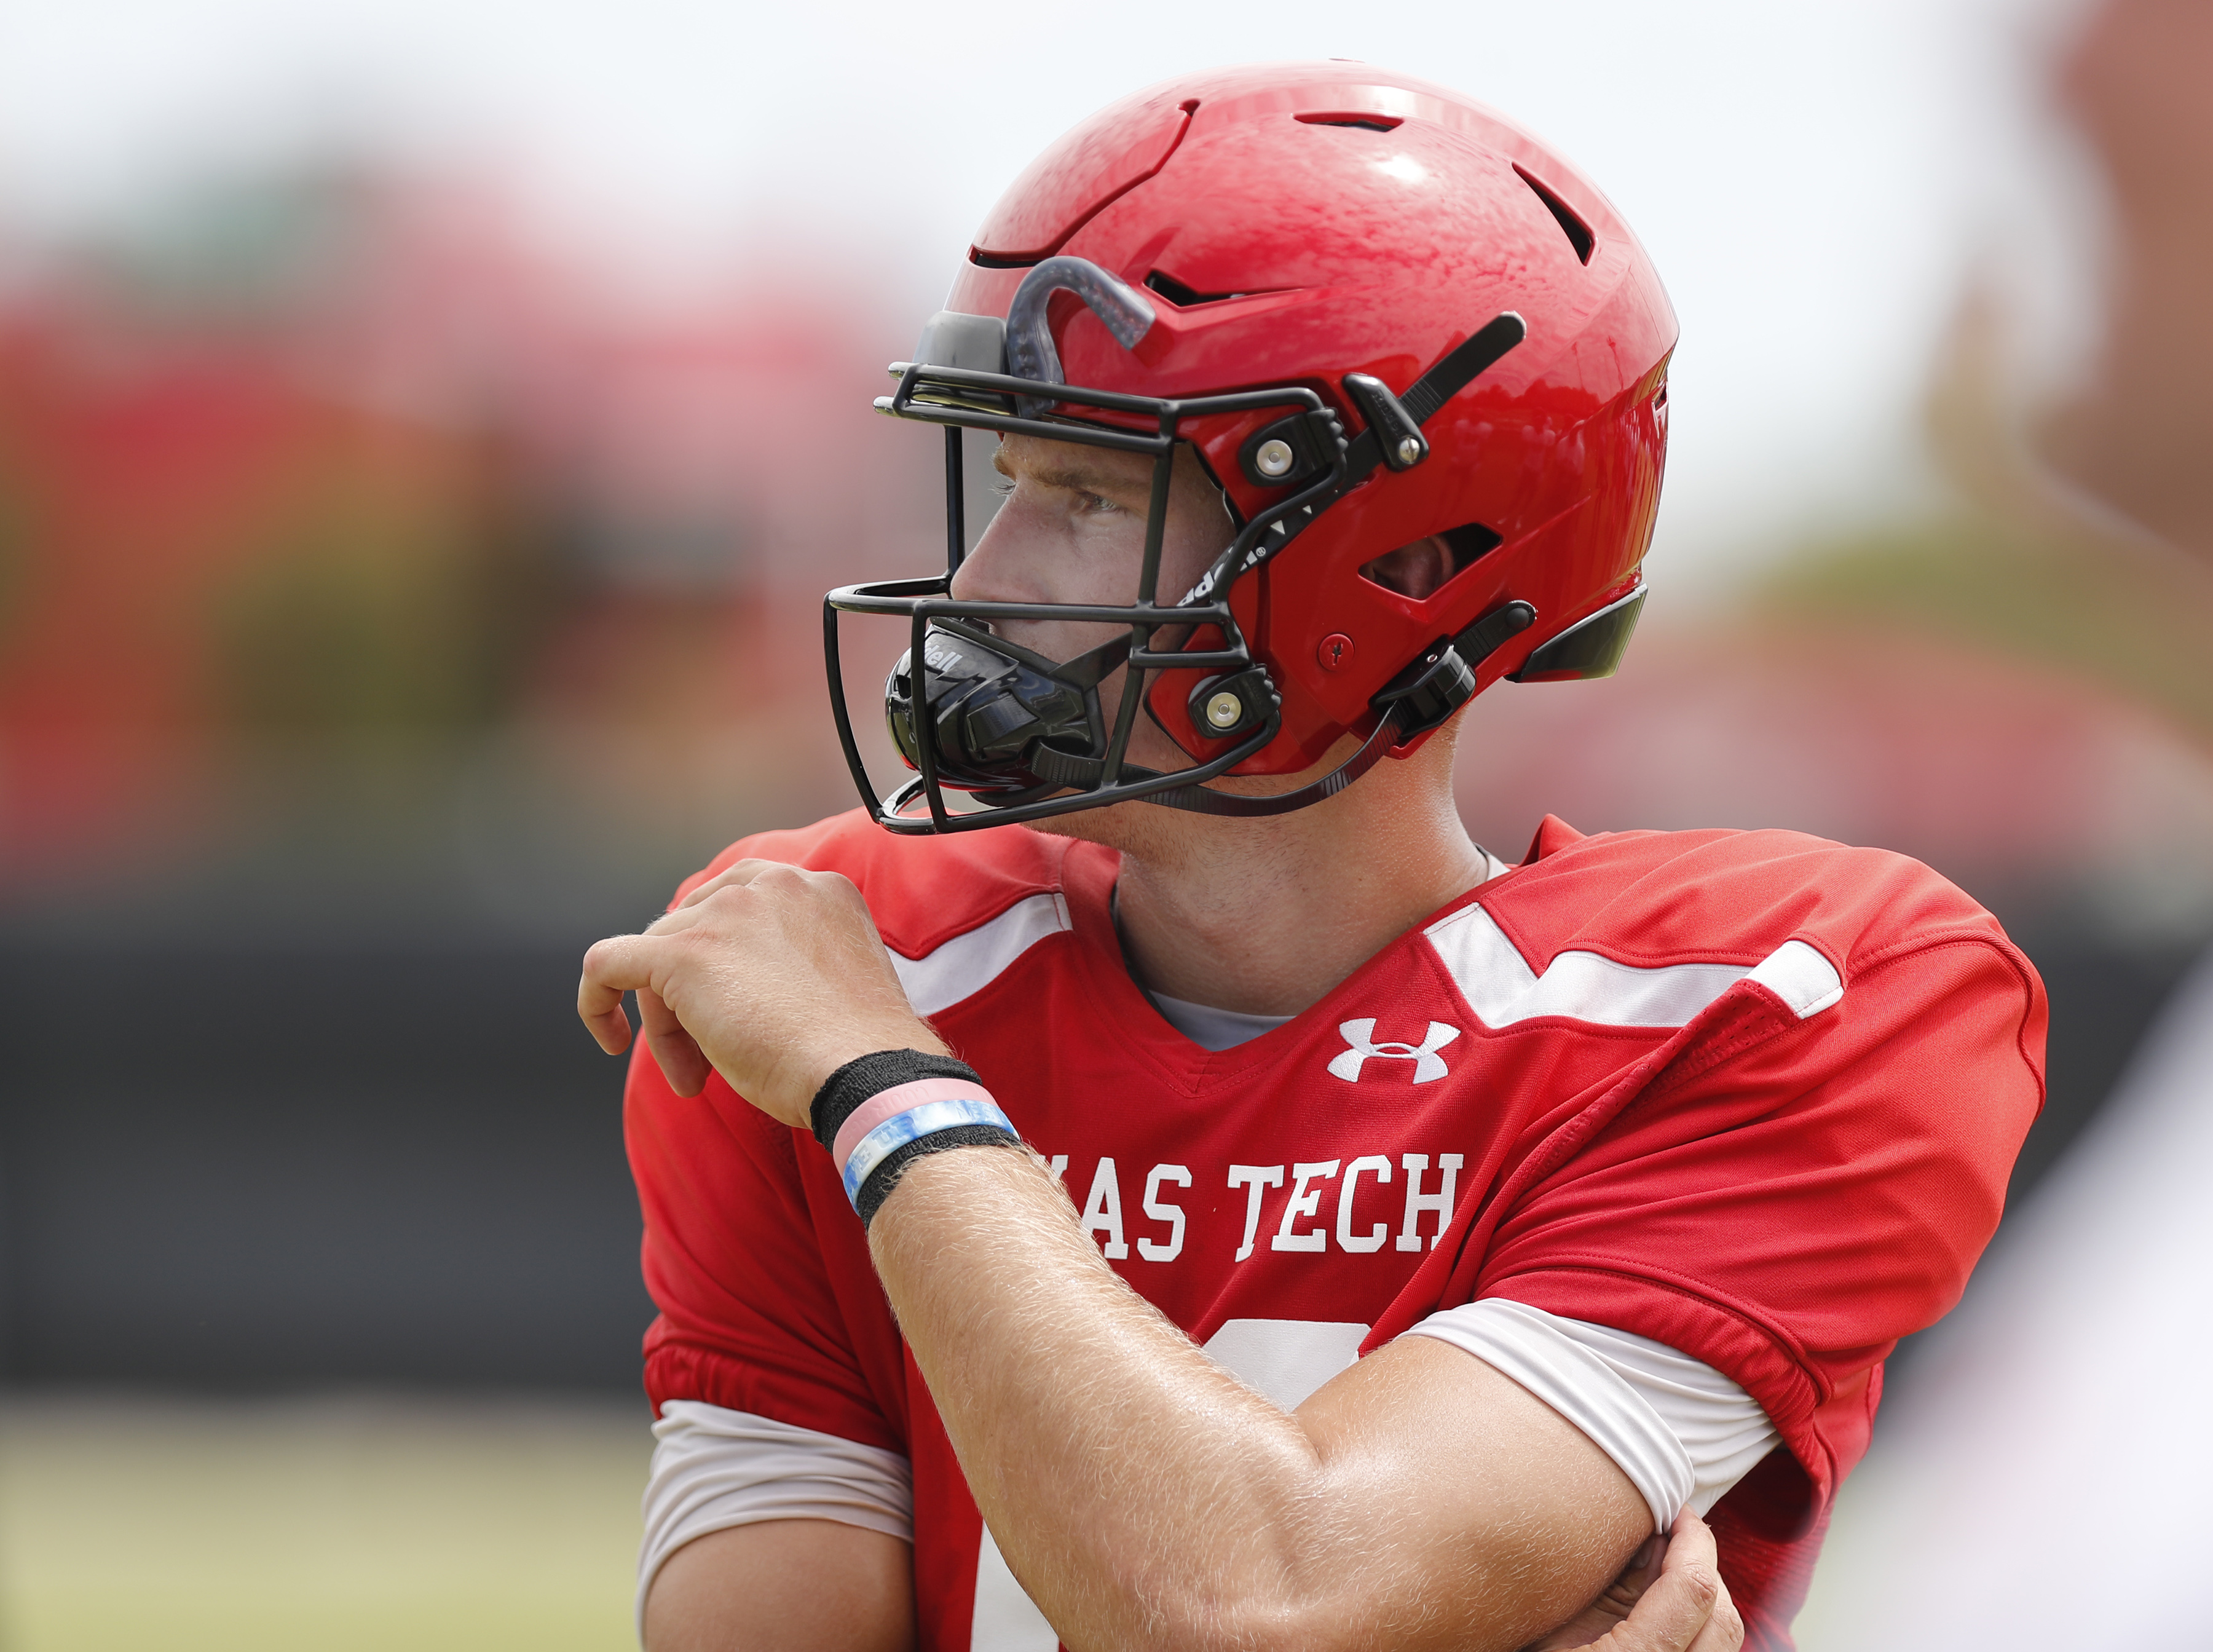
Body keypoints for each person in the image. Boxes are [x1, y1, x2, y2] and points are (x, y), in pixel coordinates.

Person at [578, 63, 2043, 1652]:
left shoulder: (1780, 993)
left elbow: (1269, 1604)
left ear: (1396, 565)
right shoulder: (850, 944)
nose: (988, 581)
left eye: (1084, 498)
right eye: (1009, 483)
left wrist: (893, 1095)